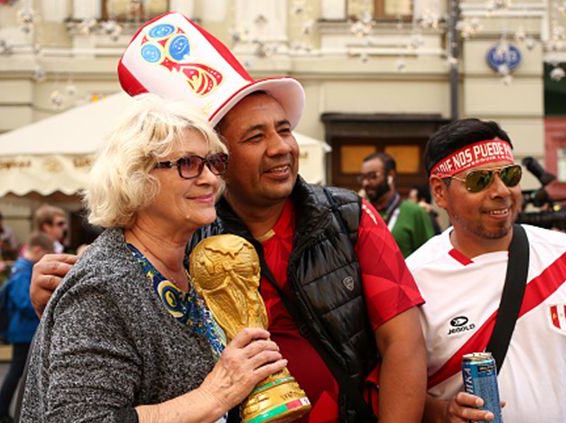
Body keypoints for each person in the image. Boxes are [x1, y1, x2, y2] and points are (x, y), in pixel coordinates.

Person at [30, 12, 427, 422]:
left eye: (284, 130)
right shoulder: (180, 238)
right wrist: (59, 301)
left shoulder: (347, 216)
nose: (280, 147)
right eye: (255, 137)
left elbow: (404, 343)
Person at [20, 94, 286, 422]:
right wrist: (215, 394)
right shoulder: (103, 287)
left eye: (214, 162)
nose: (210, 178)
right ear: (136, 176)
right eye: (188, 164)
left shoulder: (187, 264)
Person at [407, 118, 566, 422]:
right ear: (440, 191)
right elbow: (394, 388)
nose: (502, 191)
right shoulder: (415, 278)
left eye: (509, 175)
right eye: (480, 180)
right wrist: (441, 412)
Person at [0, 232, 53, 423]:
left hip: (23, 331)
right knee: (17, 374)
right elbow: (25, 303)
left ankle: (2, 412)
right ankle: (0, 413)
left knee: (18, 373)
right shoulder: (22, 272)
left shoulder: (21, 270)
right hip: (24, 332)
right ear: (36, 250)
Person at [359, 152, 435, 257]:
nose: (365, 183)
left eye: (372, 176)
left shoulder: (415, 212)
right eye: (363, 177)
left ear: (391, 176)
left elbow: (430, 257)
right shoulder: (361, 213)